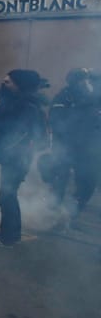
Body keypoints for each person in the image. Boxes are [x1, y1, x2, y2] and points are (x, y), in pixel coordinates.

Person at [0, 69, 49, 247]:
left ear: (20, 85)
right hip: (13, 157)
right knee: (7, 196)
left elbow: (13, 130)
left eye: (9, 82)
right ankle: (8, 233)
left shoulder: (27, 107)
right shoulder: (19, 103)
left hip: (17, 158)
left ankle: (9, 238)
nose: (4, 84)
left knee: (7, 197)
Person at [47, 68, 101, 224]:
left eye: (90, 79)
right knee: (60, 178)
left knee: (87, 181)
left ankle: (72, 211)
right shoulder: (65, 97)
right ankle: (53, 209)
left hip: (90, 150)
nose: (89, 82)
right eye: (85, 79)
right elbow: (57, 121)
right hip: (67, 147)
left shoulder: (96, 98)